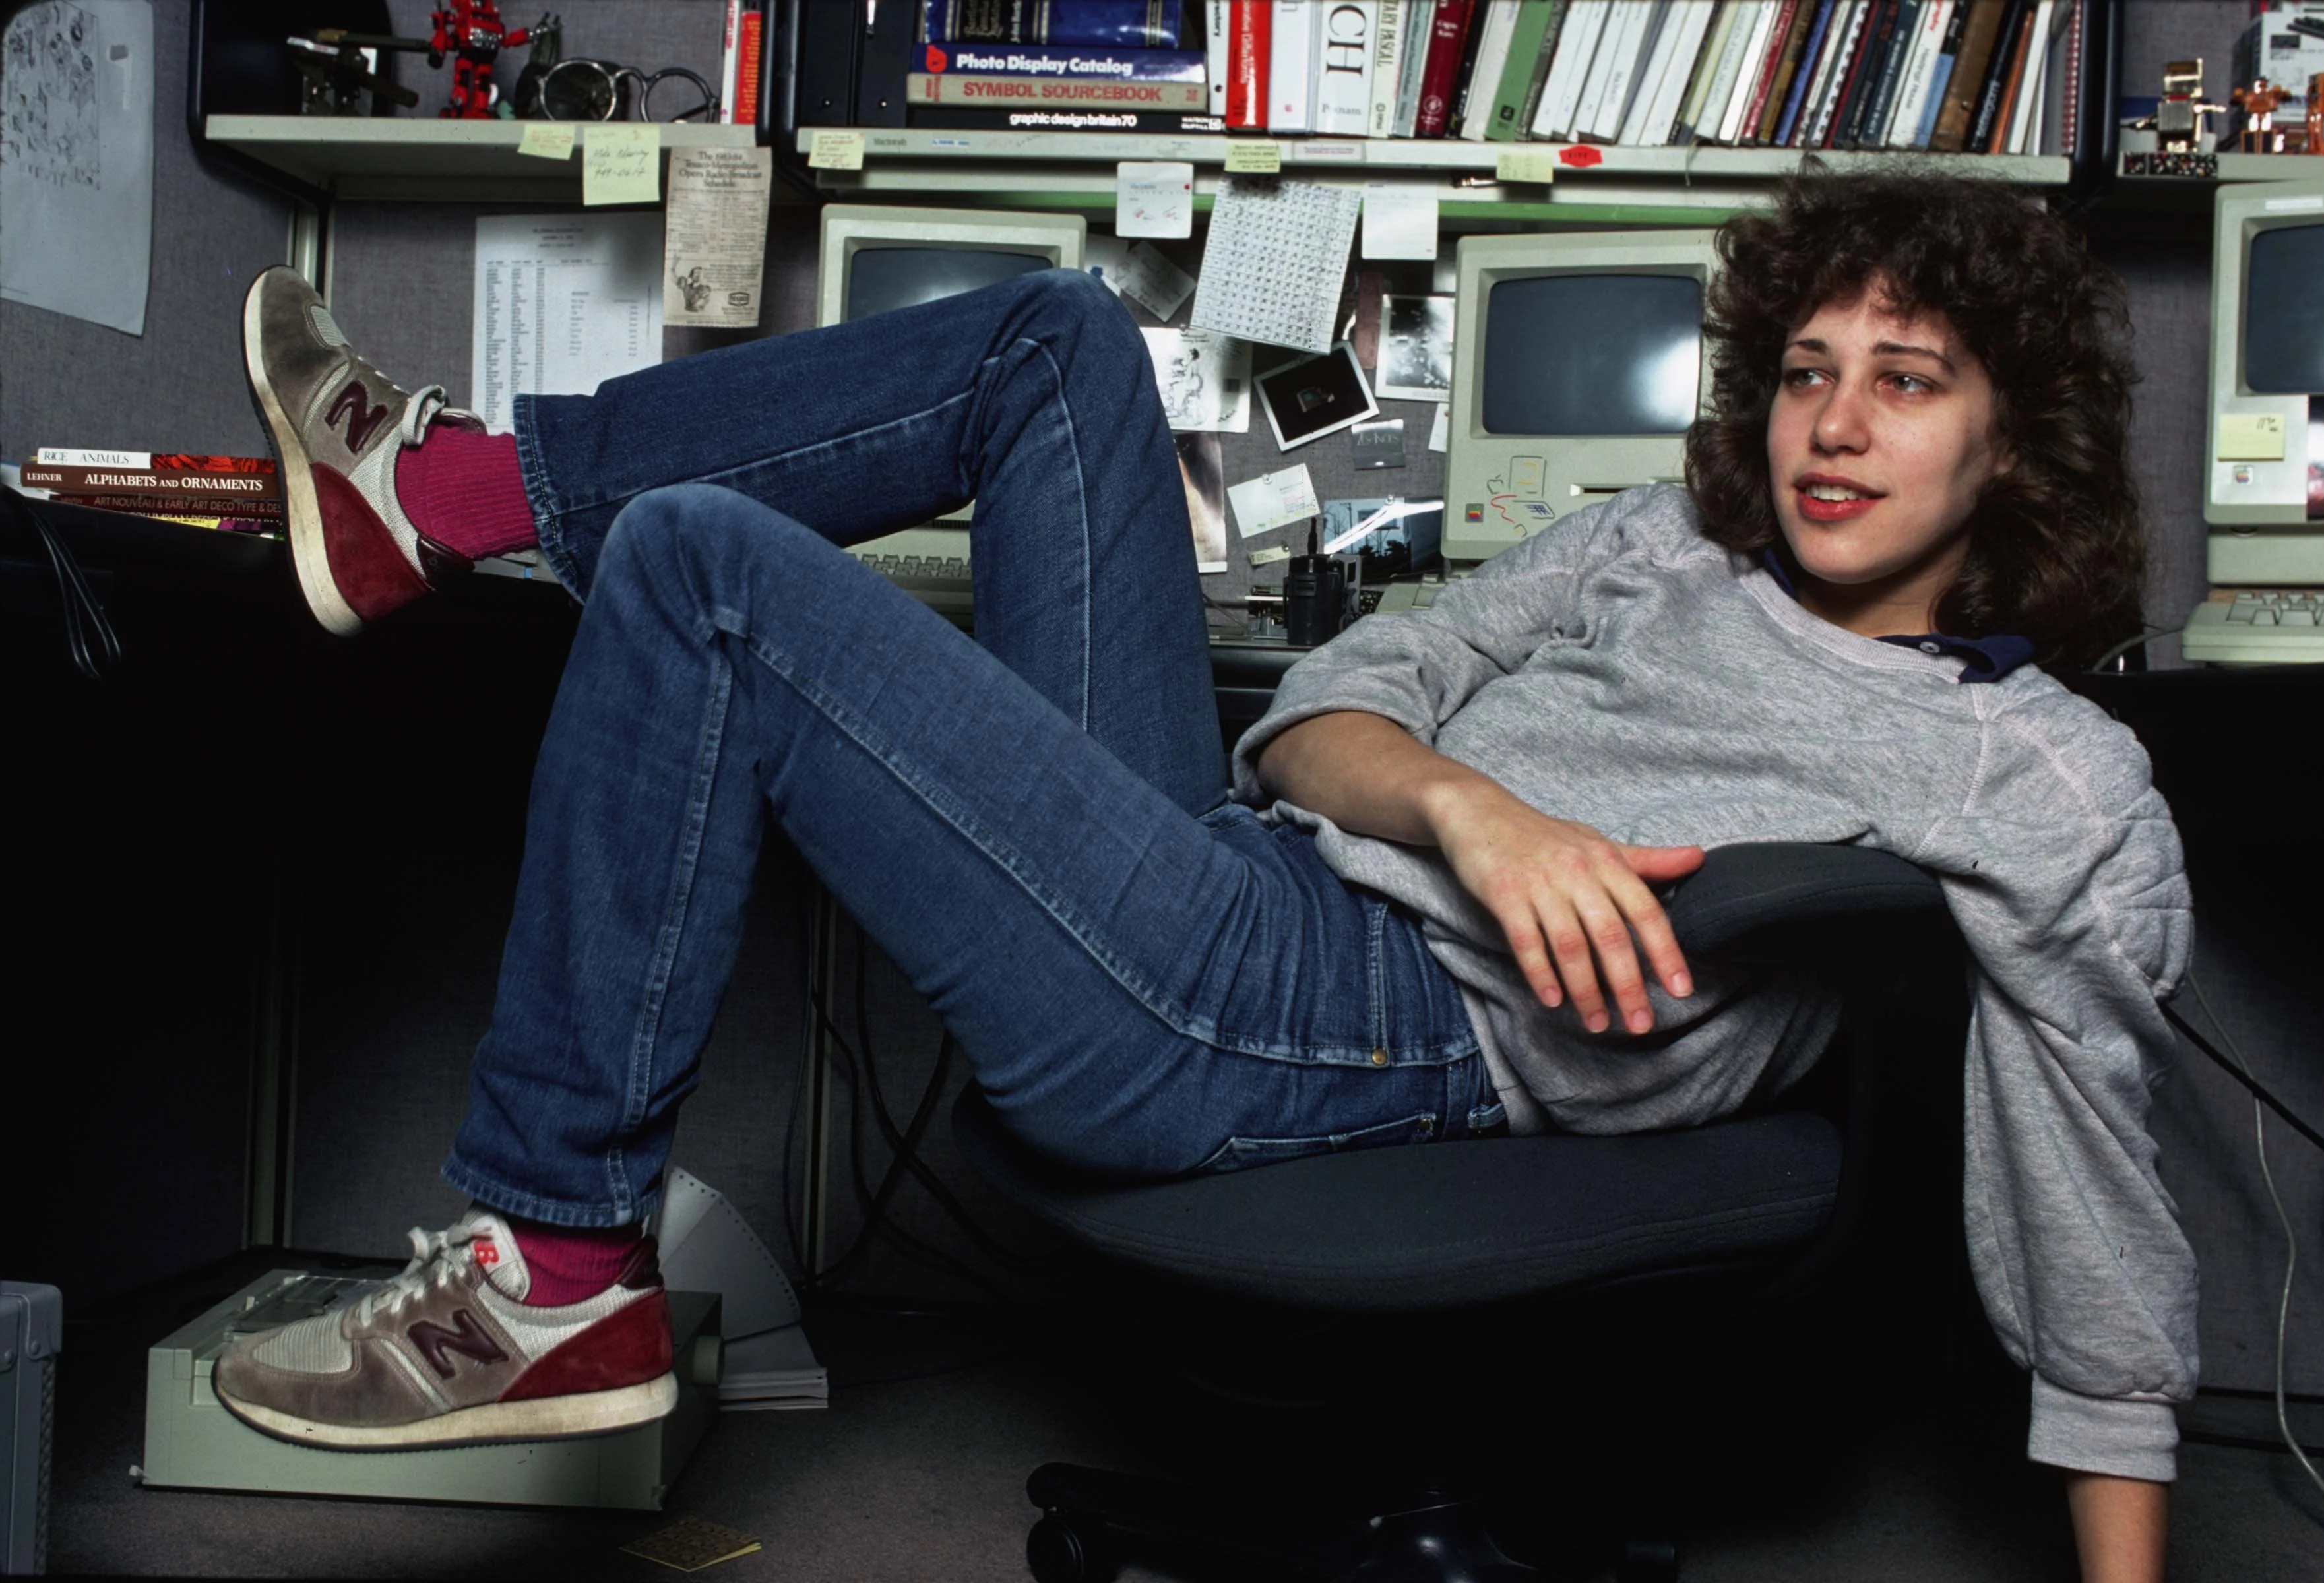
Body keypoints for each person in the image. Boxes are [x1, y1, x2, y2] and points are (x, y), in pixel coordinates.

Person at [216, 164, 2190, 1582]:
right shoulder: (1644, 552)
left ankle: (557, 1269)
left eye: (1905, 379)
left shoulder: (2039, 773)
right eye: (1805, 370)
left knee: (705, 574)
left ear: (2013, 448)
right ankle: (452, 499)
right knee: (1057, 338)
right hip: (1255, 876)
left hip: (1345, 1031)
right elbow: (1315, 711)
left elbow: (2084, 1182)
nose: (1831, 423)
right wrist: (1468, 809)